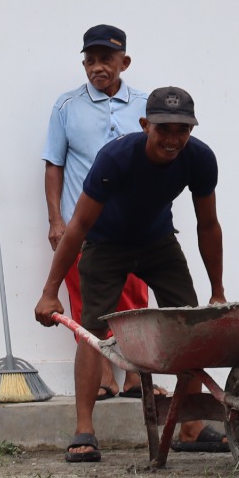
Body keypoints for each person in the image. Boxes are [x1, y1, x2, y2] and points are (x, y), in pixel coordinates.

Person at [34, 87, 227, 463]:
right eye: (164, 129)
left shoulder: (200, 159)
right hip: (105, 244)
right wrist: (49, 291)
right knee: (92, 330)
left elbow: (208, 225)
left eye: (182, 130)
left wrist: (217, 290)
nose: (173, 139)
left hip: (158, 243)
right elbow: (77, 227)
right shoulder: (116, 158)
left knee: (189, 324)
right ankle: (84, 429)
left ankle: (189, 426)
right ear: (145, 125)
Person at [43, 24, 153, 400]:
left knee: (135, 302)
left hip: (135, 227)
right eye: (89, 60)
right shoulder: (66, 107)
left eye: (106, 59)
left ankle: (137, 375)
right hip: (83, 228)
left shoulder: (144, 105)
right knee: (88, 303)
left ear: (125, 62)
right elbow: (54, 164)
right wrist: (56, 220)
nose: (97, 68)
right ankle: (104, 376)